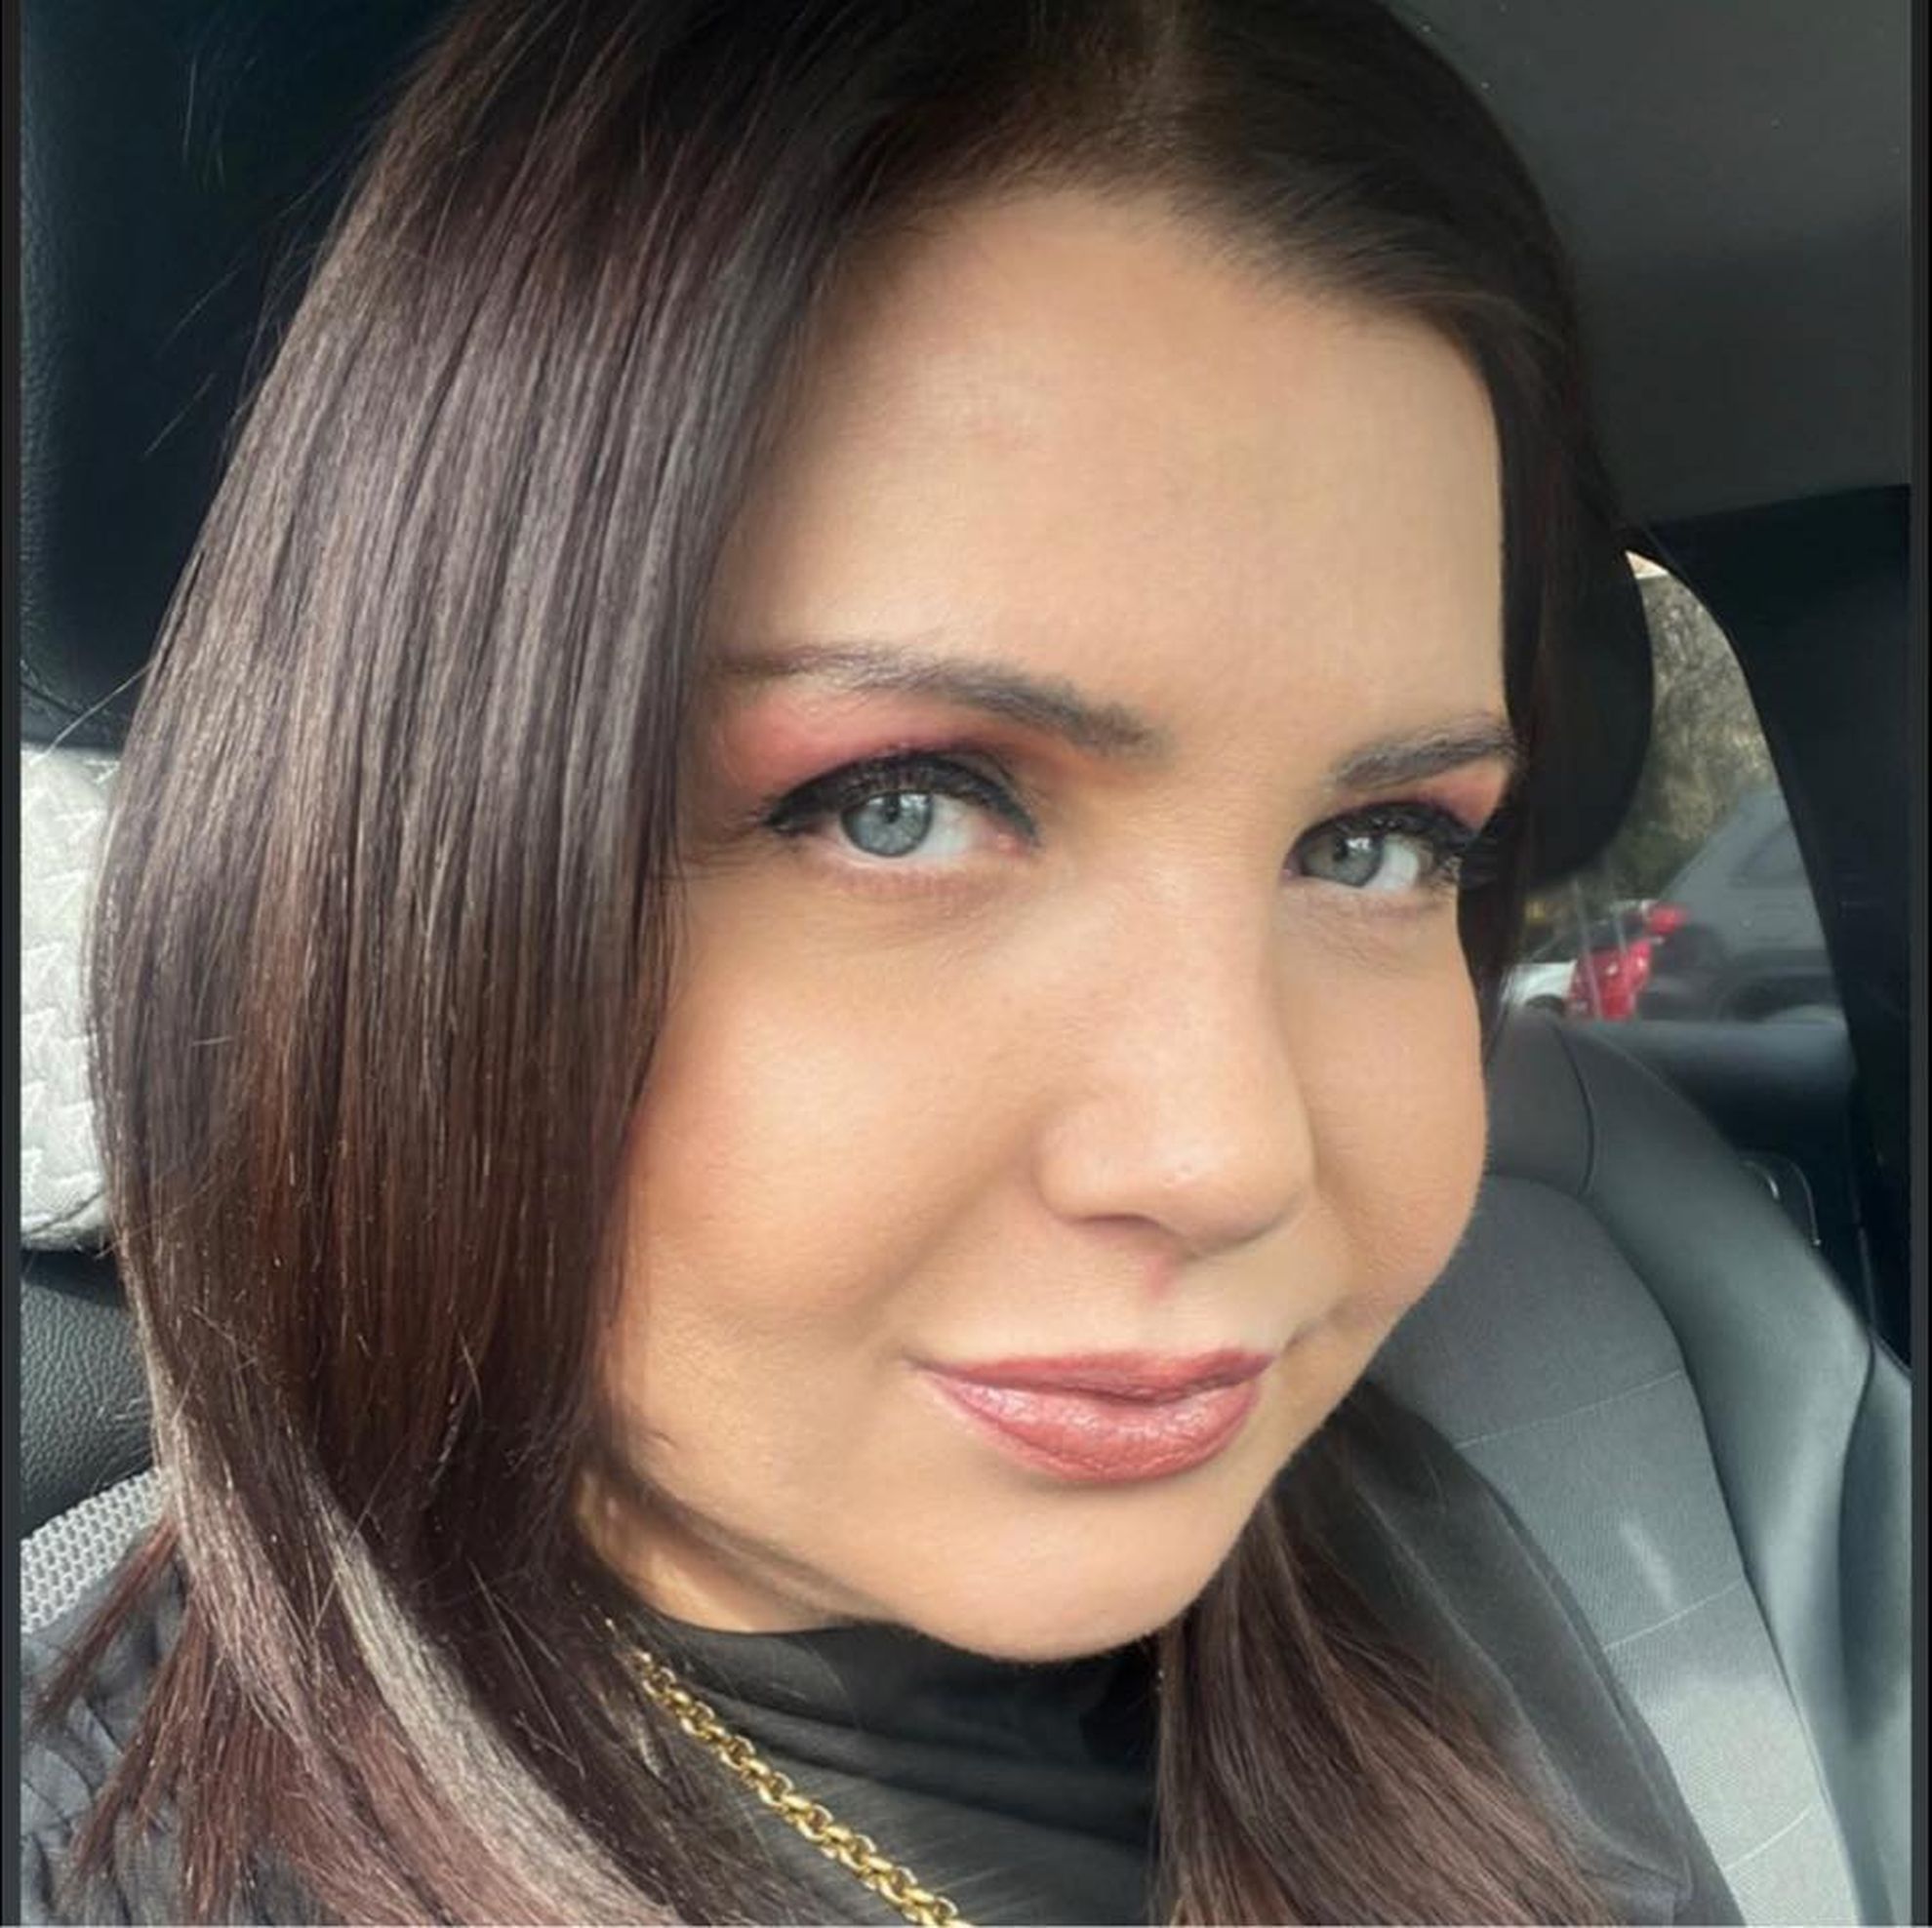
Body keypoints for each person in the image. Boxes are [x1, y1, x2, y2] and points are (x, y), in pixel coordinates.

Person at [20, 0, 1741, 1921]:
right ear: (387, 865)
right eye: (898, 806)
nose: (1229, 1156)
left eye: (1378, 843)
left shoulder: (1467, 1554)